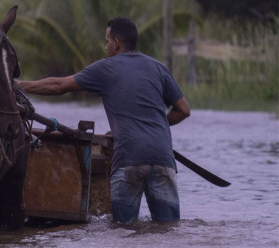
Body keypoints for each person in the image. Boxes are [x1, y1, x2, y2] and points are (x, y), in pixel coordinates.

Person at [18, 17, 190, 224]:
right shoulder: (158, 68)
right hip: (163, 158)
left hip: (129, 158)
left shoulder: (106, 68)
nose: (105, 46)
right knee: (168, 230)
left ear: (117, 43)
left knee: (123, 231)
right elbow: (183, 110)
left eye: (107, 41)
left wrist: (20, 86)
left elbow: (58, 86)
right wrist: (156, 126)